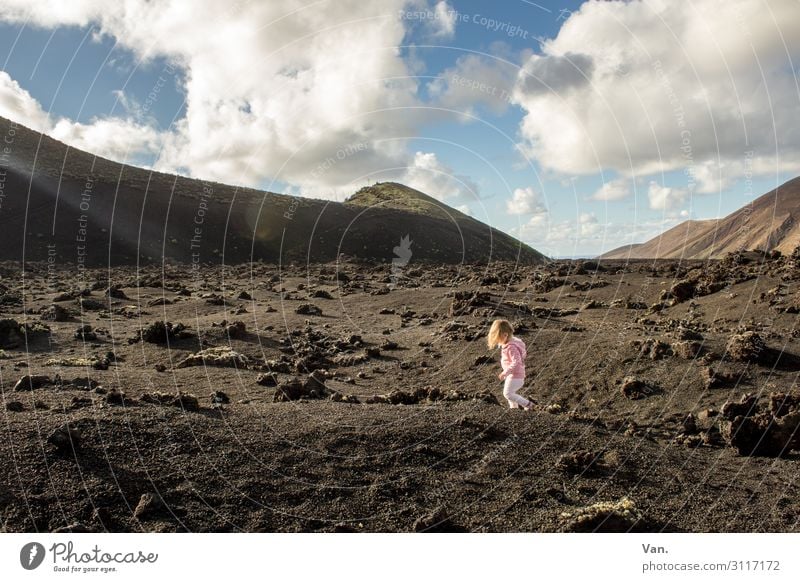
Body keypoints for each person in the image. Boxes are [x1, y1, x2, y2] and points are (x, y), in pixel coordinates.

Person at [486, 319, 533, 411]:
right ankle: (514, 409)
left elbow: (516, 362)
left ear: (505, 335)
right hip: (514, 374)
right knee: (510, 394)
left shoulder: (511, 347)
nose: (497, 342)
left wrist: (505, 372)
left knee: (507, 394)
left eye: (498, 338)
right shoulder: (511, 343)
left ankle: (529, 405)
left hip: (515, 375)